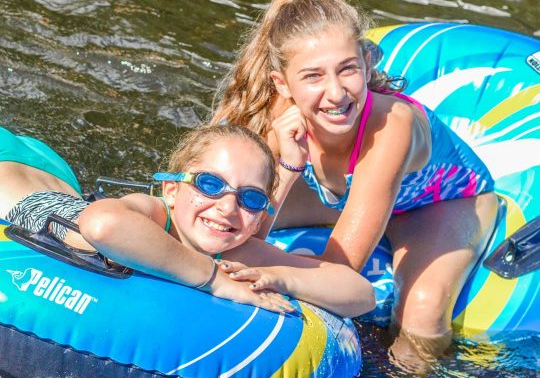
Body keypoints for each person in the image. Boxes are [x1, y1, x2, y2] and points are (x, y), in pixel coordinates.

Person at [211, 0, 499, 370]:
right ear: (282, 83)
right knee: (224, 231)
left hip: (433, 202)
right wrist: (288, 166)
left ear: (366, 62)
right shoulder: (276, 115)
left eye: (347, 69)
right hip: (336, 194)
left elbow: (339, 272)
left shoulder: (390, 126)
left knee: (423, 312)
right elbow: (243, 229)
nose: (334, 93)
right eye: (313, 76)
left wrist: (280, 277)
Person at [0, 124, 374, 318]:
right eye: (210, 184)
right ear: (172, 191)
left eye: (251, 198)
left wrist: (283, 277)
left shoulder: (242, 250)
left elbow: (361, 294)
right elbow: (102, 226)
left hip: (51, 171)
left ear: (261, 215)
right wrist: (214, 280)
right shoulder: (152, 213)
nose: (227, 208)